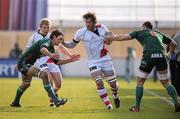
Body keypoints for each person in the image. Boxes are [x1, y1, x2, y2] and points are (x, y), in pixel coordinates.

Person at [104, 21, 180, 112]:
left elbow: (125, 37)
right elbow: (174, 44)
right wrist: (169, 54)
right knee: (166, 82)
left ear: (143, 27)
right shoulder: (158, 33)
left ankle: (137, 107)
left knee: (140, 81)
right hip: (161, 56)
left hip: (149, 56)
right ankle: (177, 103)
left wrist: (113, 38)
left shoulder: (140, 32)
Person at [61, 12, 120, 110]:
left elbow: (109, 40)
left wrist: (109, 40)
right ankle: (108, 105)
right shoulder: (81, 32)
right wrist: (63, 42)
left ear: (94, 22)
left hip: (105, 59)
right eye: (86, 22)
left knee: (113, 84)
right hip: (93, 61)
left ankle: (115, 95)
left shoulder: (103, 28)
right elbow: (72, 45)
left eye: (89, 22)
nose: (87, 24)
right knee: (99, 82)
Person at [10, 30, 80, 107]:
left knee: (25, 84)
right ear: (54, 37)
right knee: (44, 75)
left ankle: (15, 103)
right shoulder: (47, 41)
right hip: (24, 63)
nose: (60, 42)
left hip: (26, 64)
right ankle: (56, 101)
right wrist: (51, 55)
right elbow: (42, 49)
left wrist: (70, 60)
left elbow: (57, 62)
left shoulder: (51, 48)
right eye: (59, 39)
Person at [25, 18, 77, 107]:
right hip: (40, 59)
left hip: (50, 60)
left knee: (59, 84)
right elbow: (27, 49)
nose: (46, 30)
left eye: (48, 27)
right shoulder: (33, 37)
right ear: (40, 27)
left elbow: (60, 46)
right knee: (48, 76)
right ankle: (54, 100)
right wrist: (22, 60)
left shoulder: (51, 36)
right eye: (44, 27)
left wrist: (70, 55)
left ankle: (51, 96)